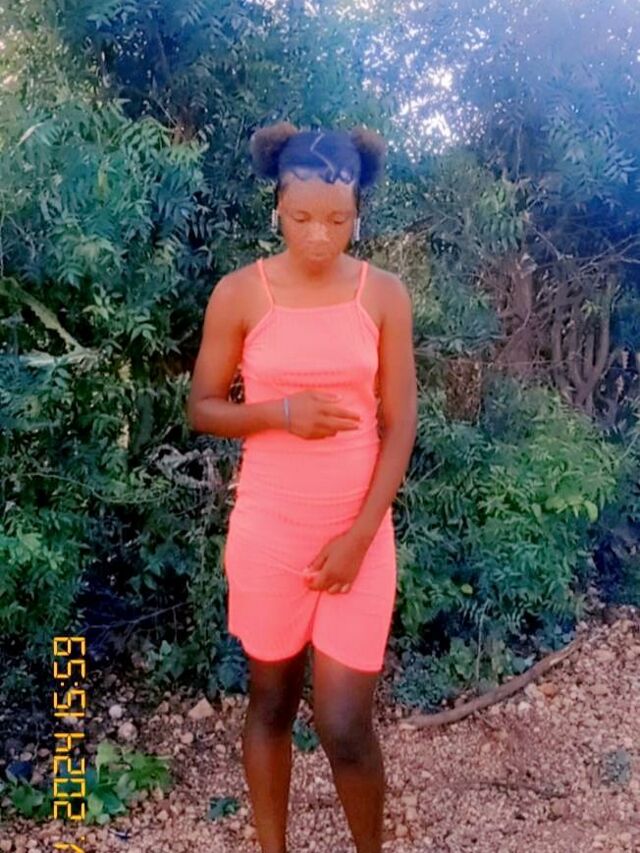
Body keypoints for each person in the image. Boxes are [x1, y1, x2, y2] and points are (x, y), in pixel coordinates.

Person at [187, 121, 417, 853]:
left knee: (345, 724)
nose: (319, 236)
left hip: (358, 533)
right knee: (271, 703)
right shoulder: (240, 294)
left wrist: (358, 538)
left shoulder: (383, 295)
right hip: (270, 533)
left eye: (338, 220)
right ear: (277, 208)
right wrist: (281, 414)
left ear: (359, 214)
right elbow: (202, 407)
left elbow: (400, 424)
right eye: (302, 217)